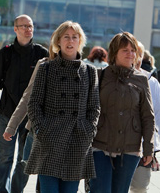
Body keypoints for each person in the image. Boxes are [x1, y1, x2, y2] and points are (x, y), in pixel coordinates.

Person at [25, 21, 100, 192]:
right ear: (58, 41)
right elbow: (34, 103)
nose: (70, 41)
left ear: (80, 41)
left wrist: (88, 131)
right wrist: (40, 130)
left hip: (77, 141)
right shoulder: (46, 68)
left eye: (74, 37)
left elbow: (94, 107)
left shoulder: (89, 71)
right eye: (66, 37)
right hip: (49, 141)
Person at [0, 14, 48, 193]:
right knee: (5, 158)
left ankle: (16, 191)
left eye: (31, 26)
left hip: (30, 119)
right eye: (24, 26)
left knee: (24, 160)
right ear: (15, 29)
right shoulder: (6, 53)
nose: (28, 29)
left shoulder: (42, 54)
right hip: (7, 114)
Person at [89, 33, 155, 193]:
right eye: (125, 50)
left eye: (133, 50)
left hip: (130, 148)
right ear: (114, 52)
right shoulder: (100, 75)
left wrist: (148, 148)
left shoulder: (141, 79)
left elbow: (148, 116)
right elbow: (89, 110)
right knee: (100, 190)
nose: (130, 54)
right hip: (100, 145)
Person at [130, 42, 160, 193]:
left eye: (138, 54)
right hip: (116, 143)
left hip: (143, 144)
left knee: (140, 186)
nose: (135, 58)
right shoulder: (110, 78)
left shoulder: (151, 82)